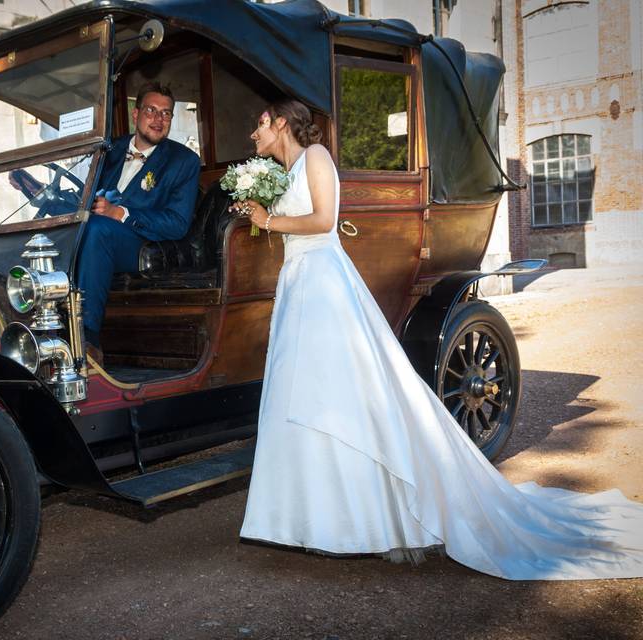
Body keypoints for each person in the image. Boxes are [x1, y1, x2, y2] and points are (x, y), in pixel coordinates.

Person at [235, 99, 643, 580]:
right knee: (297, 391)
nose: (253, 134)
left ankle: (362, 517)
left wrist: (268, 220)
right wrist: (259, 210)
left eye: (260, 124)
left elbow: (324, 221)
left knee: (335, 391)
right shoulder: (280, 173)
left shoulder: (316, 158)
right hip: (297, 283)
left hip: (323, 285)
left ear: (282, 122)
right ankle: (307, 515)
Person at [76, 82, 200, 361]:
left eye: (166, 114)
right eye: (151, 111)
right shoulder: (110, 150)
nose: (158, 119)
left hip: (141, 244)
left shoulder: (184, 161)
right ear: (136, 114)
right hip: (95, 233)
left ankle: (87, 339)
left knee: (97, 230)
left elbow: (177, 223)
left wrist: (122, 214)